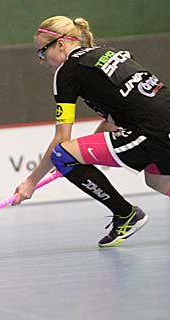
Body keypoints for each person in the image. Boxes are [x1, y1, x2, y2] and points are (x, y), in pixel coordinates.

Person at [13, 15, 170, 247]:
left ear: (60, 44)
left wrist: (31, 182)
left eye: (42, 53)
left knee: (61, 155)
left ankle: (126, 215)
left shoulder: (67, 72)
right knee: (159, 181)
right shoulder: (109, 54)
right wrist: (81, 156)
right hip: (162, 122)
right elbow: (116, 118)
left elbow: (61, 140)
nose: (43, 61)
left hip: (152, 132)